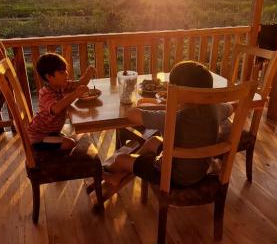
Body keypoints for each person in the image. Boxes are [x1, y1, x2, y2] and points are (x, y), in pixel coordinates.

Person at [104, 60, 233, 188]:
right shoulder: (217, 108)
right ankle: (131, 169)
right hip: (200, 170)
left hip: (173, 175)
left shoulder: (172, 117)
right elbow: (231, 107)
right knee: (153, 141)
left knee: (119, 159)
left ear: (178, 91)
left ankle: (114, 174)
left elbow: (131, 114)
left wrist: (167, 107)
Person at [27, 52, 96, 151]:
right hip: (39, 137)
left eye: (65, 70)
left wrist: (88, 74)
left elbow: (80, 84)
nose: (67, 74)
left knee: (72, 139)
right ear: (49, 77)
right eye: (62, 72)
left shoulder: (61, 85)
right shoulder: (45, 93)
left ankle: (56, 141)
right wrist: (75, 94)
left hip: (52, 132)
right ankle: (51, 161)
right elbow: (55, 108)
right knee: (70, 143)